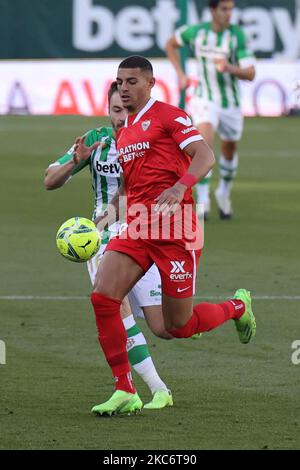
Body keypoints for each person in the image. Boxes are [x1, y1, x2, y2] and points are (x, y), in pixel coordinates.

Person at [89, 55, 256, 416]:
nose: (125, 88)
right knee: (104, 296)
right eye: (120, 82)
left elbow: (205, 154)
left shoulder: (169, 115)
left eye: (132, 81)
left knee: (176, 327)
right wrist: (103, 220)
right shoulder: (126, 131)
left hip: (176, 230)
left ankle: (237, 307)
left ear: (151, 82)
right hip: (137, 226)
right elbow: (131, 188)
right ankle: (125, 389)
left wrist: (181, 187)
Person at [44, 81, 174, 410]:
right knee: (115, 306)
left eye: (127, 110)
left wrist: (102, 222)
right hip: (102, 238)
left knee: (166, 326)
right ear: (108, 110)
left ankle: (235, 309)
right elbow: (49, 180)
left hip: (142, 232)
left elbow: (133, 193)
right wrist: (76, 160)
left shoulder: (147, 142)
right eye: (116, 110)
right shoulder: (95, 140)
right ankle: (149, 389)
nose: (121, 117)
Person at [165, 0, 256, 219]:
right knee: (204, 143)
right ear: (213, 11)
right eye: (224, 9)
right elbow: (170, 44)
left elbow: (250, 73)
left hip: (230, 103)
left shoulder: (237, 36)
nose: (229, 13)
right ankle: (203, 200)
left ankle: (223, 192)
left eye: (231, 9)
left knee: (229, 149)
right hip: (204, 98)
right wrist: (180, 73)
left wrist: (229, 68)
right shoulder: (197, 33)